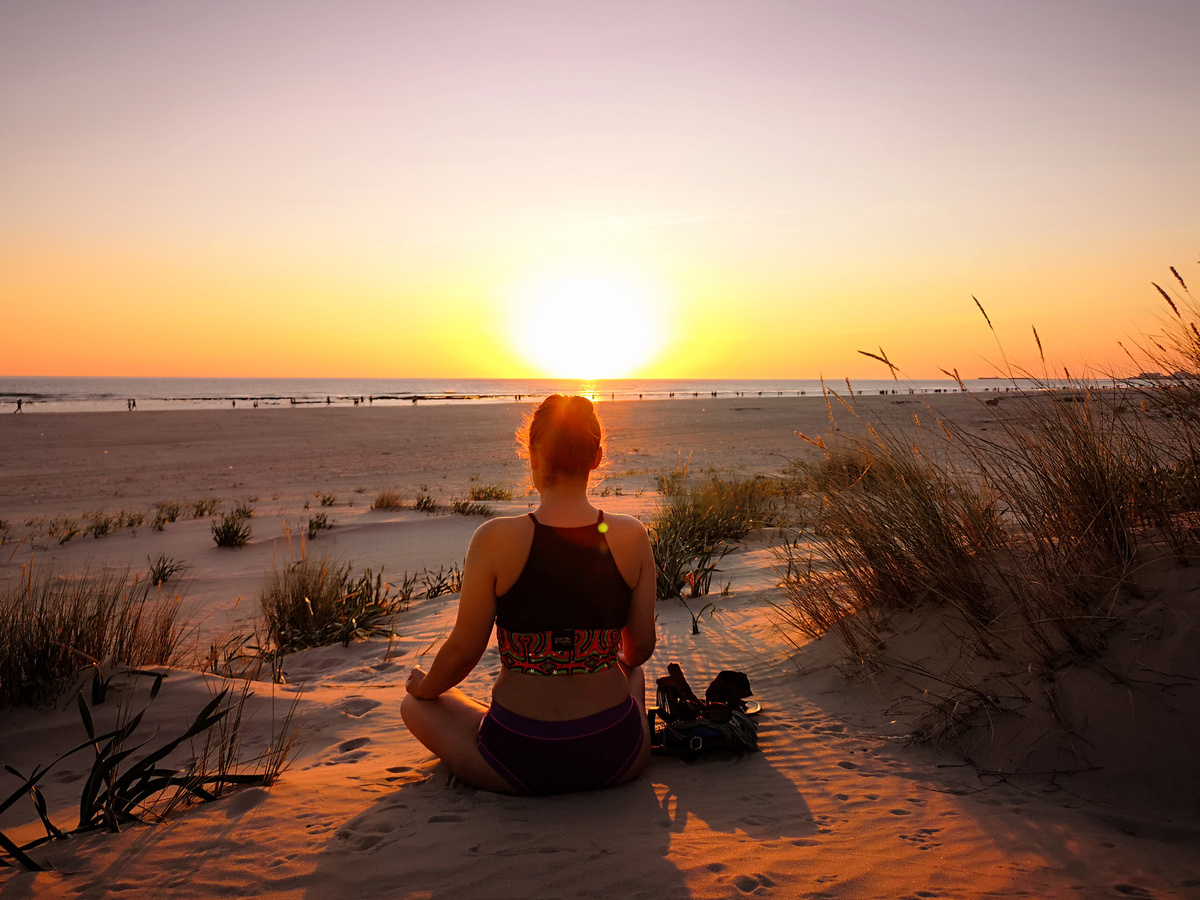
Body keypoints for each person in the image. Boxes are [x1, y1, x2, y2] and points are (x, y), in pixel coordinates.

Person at [402, 394, 657, 795]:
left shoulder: (494, 539)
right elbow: (639, 648)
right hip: (616, 755)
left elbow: (464, 651)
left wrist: (425, 688)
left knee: (413, 706)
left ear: (533, 456)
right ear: (596, 458)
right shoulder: (632, 535)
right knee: (634, 673)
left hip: (517, 756)